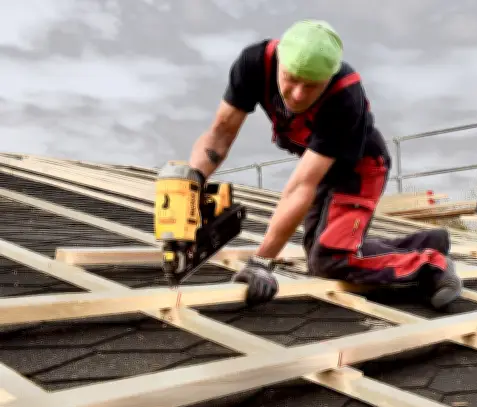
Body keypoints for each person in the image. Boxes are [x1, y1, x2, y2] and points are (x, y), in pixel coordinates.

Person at [170, 20, 462, 309]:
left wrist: (262, 262)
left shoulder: (345, 96)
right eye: (291, 79)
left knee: (329, 260)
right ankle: (430, 240)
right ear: (280, 61)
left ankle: (431, 263)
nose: (297, 94)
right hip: (319, 164)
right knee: (320, 251)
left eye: (311, 86)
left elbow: (301, 186)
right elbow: (220, 133)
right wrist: (191, 183)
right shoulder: (254, 64)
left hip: (360, 169)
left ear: (329, 78)